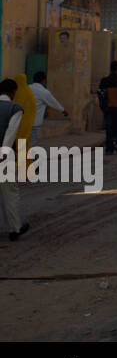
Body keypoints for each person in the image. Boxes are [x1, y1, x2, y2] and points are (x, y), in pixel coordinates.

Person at [0, 80, 29, 241]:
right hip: (4, 156)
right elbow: (11, 131)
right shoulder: (15, 108)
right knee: (10, 193)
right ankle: (14, 228)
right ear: (13, 92)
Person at [29, 71, 65, 147]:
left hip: (24, 120)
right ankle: (29, 157)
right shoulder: (44, 92)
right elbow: (54, 103)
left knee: (23, 139)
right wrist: (63, 110)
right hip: (35, 121)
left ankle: (21, 156)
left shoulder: (28, 88)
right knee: (32, 141)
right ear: (43, 80)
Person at [97, 62, 117, 154]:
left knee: (109, 128)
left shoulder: (104, 80)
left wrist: (103, 106)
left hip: (108, 108)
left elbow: (100, 94)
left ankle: (109, 148)